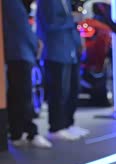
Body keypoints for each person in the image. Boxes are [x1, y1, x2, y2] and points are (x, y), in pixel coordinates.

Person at [36, 0, 89, 140]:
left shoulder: (66, 2)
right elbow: (51, 23)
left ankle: (68, 123)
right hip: (56, 51)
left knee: (72, 89)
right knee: (59, 91)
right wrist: (72, 19)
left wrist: (78, 44)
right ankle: (56, 127)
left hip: (70, 50)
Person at [2, 0, 52, 147]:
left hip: (17, 52)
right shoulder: (12, 3)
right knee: (23, 94)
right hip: (19, 53)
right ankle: (27, 132)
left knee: (18, 94)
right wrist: (36, 43)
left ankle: (18, 132)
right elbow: (22, 27)